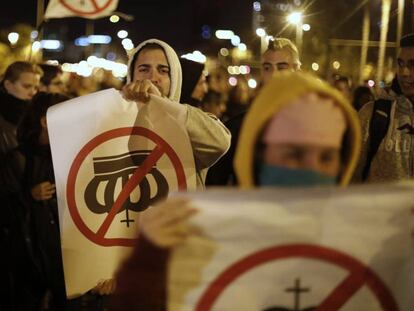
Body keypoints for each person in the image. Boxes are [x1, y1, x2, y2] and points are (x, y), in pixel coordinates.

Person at [110, 72, 361, 310]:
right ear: (259, 152)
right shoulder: (207, 239)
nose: (311, 168)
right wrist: (146, 269)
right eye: (293, 152)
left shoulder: (362, 246)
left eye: (328, 156)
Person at [123, 38, 231, 188]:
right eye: (144, 69)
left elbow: (220, 143)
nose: (152, 78)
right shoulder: (114, 120)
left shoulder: (189, 121)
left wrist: (162, 104)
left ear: (175, 78)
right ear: (131, 76)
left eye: (163, 70)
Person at [206, 38, 301, 186]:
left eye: (282, 67)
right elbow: (215, 182)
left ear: (297, 71)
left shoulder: (315, 123)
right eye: (268, 68)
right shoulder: (239, 127)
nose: (274, 74)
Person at [352, 33, 414, 183]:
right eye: (400, 64)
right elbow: (351, 175)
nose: (404, 72)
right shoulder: (373, 114)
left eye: (413, 65)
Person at [0, 61, 42, 155]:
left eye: (36, 88)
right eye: (27, 86)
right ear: (8, 85)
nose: (33, 92)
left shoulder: (33, 114)